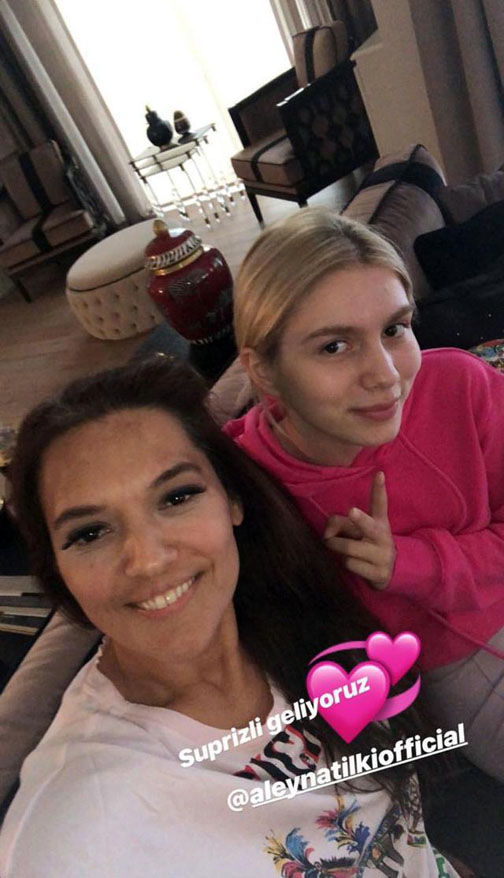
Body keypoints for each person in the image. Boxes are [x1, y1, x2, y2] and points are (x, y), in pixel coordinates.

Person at [0, 356, 460, 877]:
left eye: (177, 497)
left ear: (232, 499)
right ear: (58, 571)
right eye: (89, 533)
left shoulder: (298, 615)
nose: (147, 560)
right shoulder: (74, 834)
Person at [225, 207, 504, 783]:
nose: (385, 375)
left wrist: (416, 561)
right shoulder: (242, 485)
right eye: (334, 346)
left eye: (394, 329)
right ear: (266, 372)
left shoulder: (461, 385)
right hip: (462, 666)